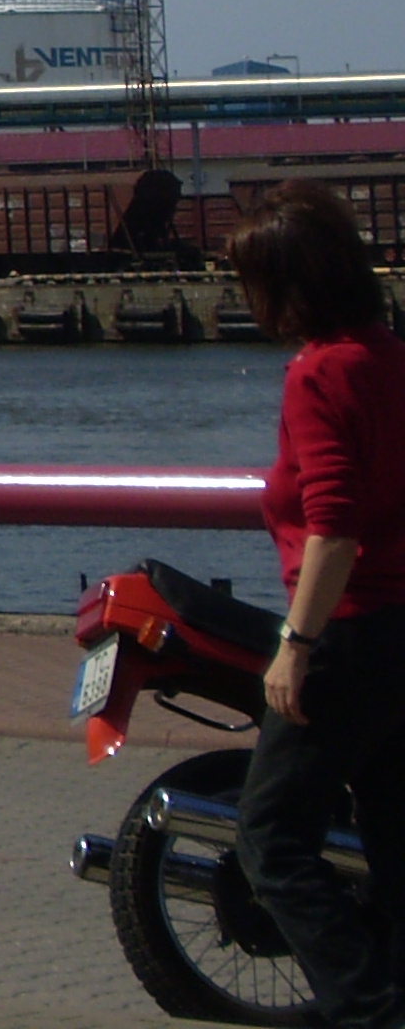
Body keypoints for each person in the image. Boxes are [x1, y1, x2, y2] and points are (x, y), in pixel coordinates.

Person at [231, 183, 405, 1028]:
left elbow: (333, 530)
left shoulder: (319, 374)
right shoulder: (390, 355)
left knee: (272, 840)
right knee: (394, 837)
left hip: (348, 630)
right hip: (402, 631)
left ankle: (368, 1009)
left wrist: (295, 645)